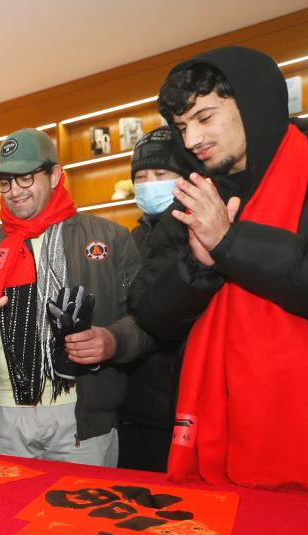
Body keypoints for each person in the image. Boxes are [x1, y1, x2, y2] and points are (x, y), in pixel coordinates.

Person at [130, 47, 308, 490]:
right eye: (182, 127)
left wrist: (231, 244)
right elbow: (150, 311)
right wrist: (197, 267)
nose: (192, 140)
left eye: (205, 117)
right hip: (216, 432)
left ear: (255, 103)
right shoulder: (191, 200)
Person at [0, 128, 152, 466]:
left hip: (83, 416)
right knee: (9, 502)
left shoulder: (111, 238)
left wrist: (113, 340)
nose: (14, 192)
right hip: (5, 417)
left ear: (55, 175)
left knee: (84, 502)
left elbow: (146, 319)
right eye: (5, 182)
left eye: (25, 178)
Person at [118, 127, 190, 472]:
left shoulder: (200, 231)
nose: (149, 184)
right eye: (141, 177)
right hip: (135, 399)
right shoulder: (131, 239)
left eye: (161, 174)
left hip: (184, 401)